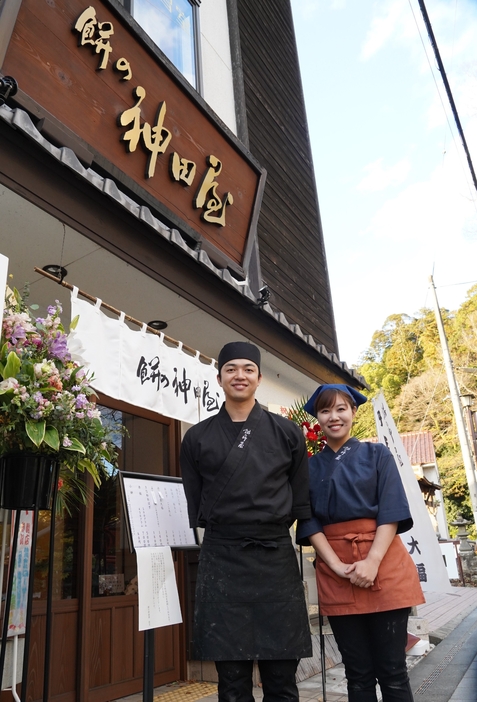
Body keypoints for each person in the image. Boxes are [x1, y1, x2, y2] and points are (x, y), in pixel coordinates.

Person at [180, 341, 312, 702]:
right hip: (223, 555)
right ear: (219, 377)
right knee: (232, 681)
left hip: (275, 555)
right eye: (231, 369)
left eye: (248, 369)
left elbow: (302, 499)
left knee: (282, 677)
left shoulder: (287, 432)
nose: (240, 375)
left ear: (259, 377)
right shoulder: (197, 437)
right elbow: (196, 503)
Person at [296, 384, 425, 702]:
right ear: (317, 418)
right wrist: (336, 565)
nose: (334, 416)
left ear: (353, 412)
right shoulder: (309, 467)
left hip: (385, 565)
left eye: (341, 408)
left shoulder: (378, 454)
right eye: (325, 410)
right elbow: (308, 519)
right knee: (357, 673)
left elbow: (391, 509)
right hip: (335, 569)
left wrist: (371, 561)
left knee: (393, 671)